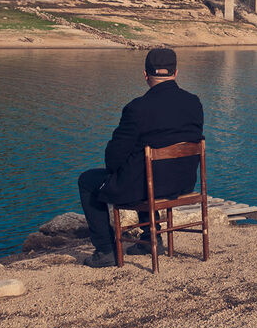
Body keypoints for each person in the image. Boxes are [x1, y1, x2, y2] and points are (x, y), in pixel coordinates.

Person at [78, 48, 204, 268]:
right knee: (148, 172)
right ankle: (149, 239)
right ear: (176, 73)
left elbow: (113, 159)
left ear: (145, 75)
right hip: (183, 184)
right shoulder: (194, 103)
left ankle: (106, 250)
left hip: (148, 186)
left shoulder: (136, 108)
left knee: (88, 181)